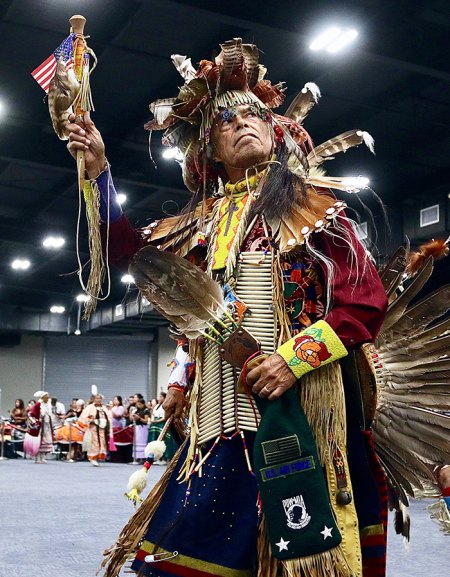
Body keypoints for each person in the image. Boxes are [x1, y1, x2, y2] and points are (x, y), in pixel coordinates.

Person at [68, 40, 389, 577]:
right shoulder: (197, 224)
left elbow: (364, 302)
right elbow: (129, 250)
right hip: (215, 429)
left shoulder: (316, 207)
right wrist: (99, 171)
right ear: (210, 148)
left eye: (254, 114)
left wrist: (294, 357)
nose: (242, 123)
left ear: (273, 128)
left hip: (300, 419)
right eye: (226, 119)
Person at [79, 393, 111, 466]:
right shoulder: (90, 407)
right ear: (94, 399)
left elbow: (109, 417)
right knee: (94, 443)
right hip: (93, 429)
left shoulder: (104, 408)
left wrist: (107, 424)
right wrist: (90, 420)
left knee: (102, 442)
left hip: (102, 428)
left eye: (100, 398)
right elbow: (84, 417)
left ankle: (98, 456)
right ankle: (92, 458)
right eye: (97, 398)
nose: (98, 400)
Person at [147, 392, 176, 464]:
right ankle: (155, 458)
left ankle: (164, 458)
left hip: (161, 424)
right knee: (154, 440)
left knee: (163, 441)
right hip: (154, 425)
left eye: (161, 397)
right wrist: (152, 420)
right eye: (159, 397)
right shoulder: (156, 406)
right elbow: (153, 414)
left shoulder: (166, 406)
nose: (159, 398)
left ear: (164, 398)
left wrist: (157, 421)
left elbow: (165, 417)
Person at [28, 391, 54, 463]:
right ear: (42, 398)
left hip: (47, 426)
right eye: (46, 397)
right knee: (39, 441)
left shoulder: (49, 404)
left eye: (48, 397)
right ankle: (37, 458)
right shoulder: (38, 404)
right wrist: (36, 420)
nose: (47, 398)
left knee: (45, 442)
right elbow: (31, 414)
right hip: (40, 427)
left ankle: (42, 457)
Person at [131, 397, 150, 463]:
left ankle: (143, 457)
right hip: (137, 427)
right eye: (137, 404)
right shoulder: (136, 410)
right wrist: (133, 414)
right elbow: (132, 419)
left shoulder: (146, 411)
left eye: (140, 404)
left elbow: (146, 421)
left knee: (142, 443)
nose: (139, 406)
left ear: (143, 404)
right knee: (137, 442)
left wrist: (139, 418)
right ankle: (137, 458)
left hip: (143, 428)